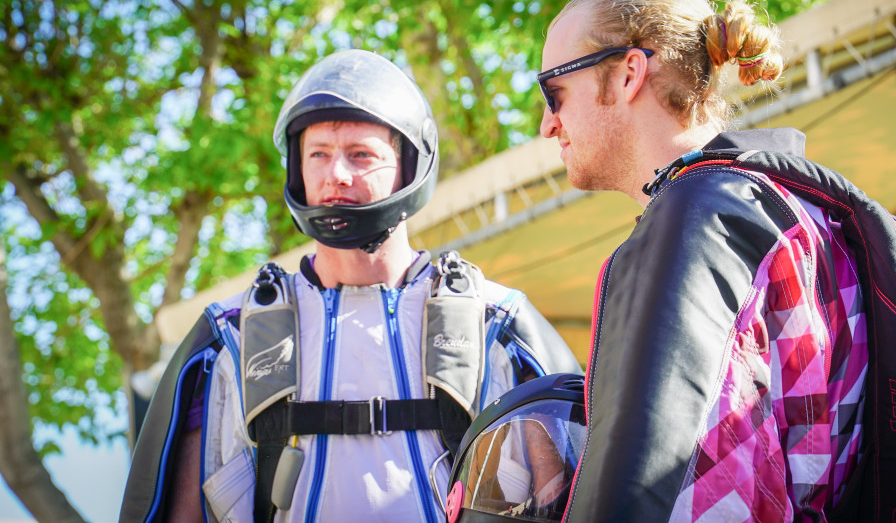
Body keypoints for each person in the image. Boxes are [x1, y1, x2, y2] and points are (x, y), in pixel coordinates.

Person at [536, 0, 896, 523]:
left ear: (629, 73)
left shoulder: (702, 223)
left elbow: (697, 498)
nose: (548, 124)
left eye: (554, 92)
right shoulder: (805, 215)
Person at [119, 49, 581, 523]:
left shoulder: (496, 326)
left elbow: (570, 499)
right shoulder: (231, 341)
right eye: (318, 154)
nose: (336, 175)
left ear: (410, 165)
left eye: (361, 155)